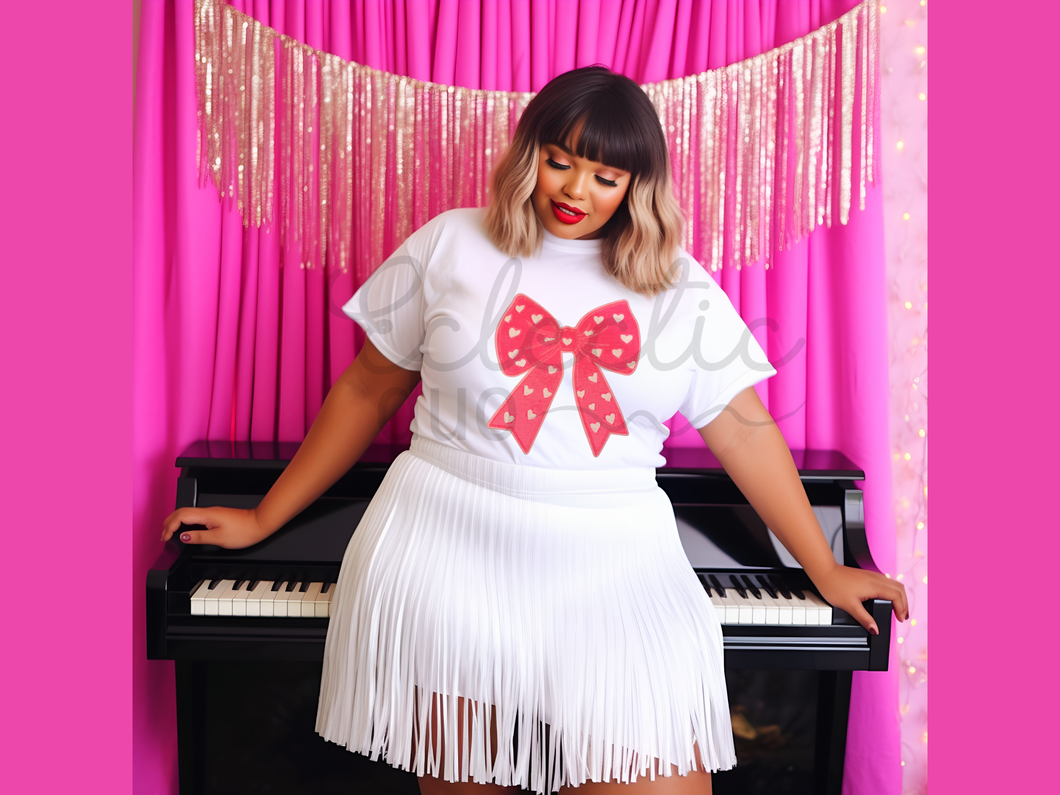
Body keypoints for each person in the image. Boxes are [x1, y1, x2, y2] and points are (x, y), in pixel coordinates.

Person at [162, 66, 907, 794]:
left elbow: (744, 431)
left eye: (605, 177)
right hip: (449, 549)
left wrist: (822, 565)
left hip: (615, 567)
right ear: (530, 155)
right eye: (559, 162)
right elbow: (366, 388)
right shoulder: (451, 244)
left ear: (637, 188)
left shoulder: (677, 284)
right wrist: (265, 516)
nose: (575, 191)